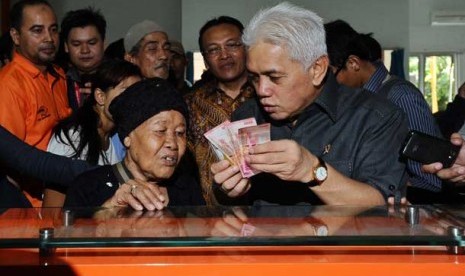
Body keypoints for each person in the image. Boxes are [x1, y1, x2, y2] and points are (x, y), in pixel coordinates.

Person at [211, 2, 409, 206]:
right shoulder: (247, 116)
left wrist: (311, 169)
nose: (262, 90)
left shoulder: (376, 117)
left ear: (317, 69)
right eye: (254, 77)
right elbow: (234, 205)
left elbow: (382, 206)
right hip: (263, 237)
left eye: (275, 77)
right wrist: (229, 189)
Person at [324, 20, 443, 196]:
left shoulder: (401, 97)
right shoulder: (357, 101)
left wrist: (378, 188)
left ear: (353, 63)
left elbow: (429, 181)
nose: (328, 84)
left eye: (331, 75)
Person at [64, 78, 205, 209]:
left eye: (180, 133)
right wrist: (107, 212)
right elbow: (68, 234)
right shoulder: (89, 188)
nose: (173, 144)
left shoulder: (186, 189)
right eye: (160, 131)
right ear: (127, 137)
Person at [0, 0, 71, 207]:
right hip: (30, 207)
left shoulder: (58, 75)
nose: (49, 38)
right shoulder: (8, 85)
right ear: (15, 36)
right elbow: (9, 162)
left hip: (63, 197)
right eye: (37, 31)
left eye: (53, 30)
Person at [44, 59, 142, 206]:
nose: (134, 100)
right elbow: (53, 207)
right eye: (126, 92)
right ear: (100, 96)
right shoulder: (73, 137)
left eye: (137, 93)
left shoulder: (116, 136)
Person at [184, 16, 256, 205]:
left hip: (267, 214)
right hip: (213, 218)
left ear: (247, 48)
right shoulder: (191, 104)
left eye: (232, 45)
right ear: (206, 60)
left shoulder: (268, 96)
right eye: (214, 50)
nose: (224, 55)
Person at [60, 7, 107, 112]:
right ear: (66, 47)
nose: (85, 50)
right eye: (76, 44)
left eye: (92, 43)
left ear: (104, 43)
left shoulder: (121, 78)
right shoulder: (58, 81)